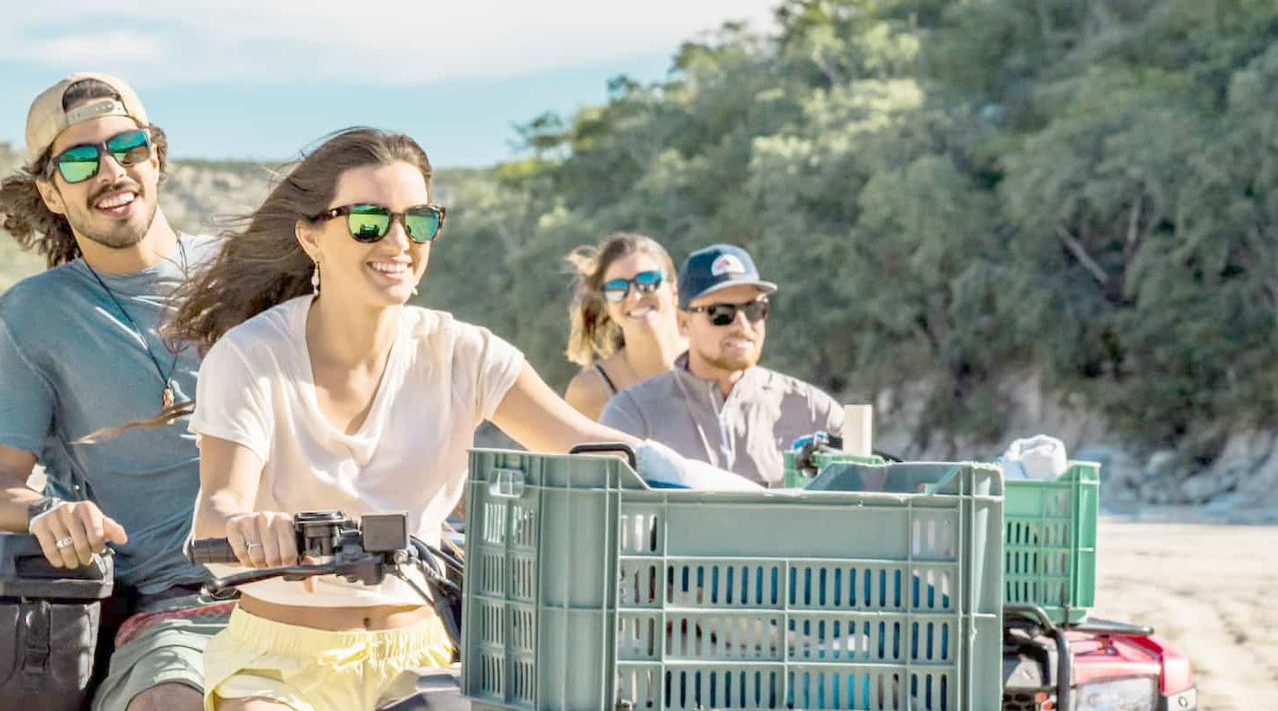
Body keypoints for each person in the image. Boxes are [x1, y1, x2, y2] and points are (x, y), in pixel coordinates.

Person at [171, 127, 744, 711]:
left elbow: (602, 452)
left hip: (420, 659)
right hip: (281, 664)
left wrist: (756, 505)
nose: (399, 241)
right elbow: (218, 508)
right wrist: (253, 529)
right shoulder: (252, 356)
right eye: (369, 221)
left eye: (418, 221)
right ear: (311, 236)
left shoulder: (462, 352)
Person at [0, 72, 226, 710]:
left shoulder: (248, 276)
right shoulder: (32, 319)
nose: (111, 171)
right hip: (174, 609)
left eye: (128, 148)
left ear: (156, 159)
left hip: (309, 584)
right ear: (51, 192)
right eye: (80, 161)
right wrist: (47, 513)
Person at [600, 244, 845, 487]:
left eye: (754, 309)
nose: (742, 325)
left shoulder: (812, 410)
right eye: (720, 313)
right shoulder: (633, 414)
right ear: (683, 321)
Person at [561, 233, 685, 420]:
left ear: (674, 290)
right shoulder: (590, 392)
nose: (635, 296)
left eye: (647, 281)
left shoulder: (712, 358)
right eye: (617, 288)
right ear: (607, 306)